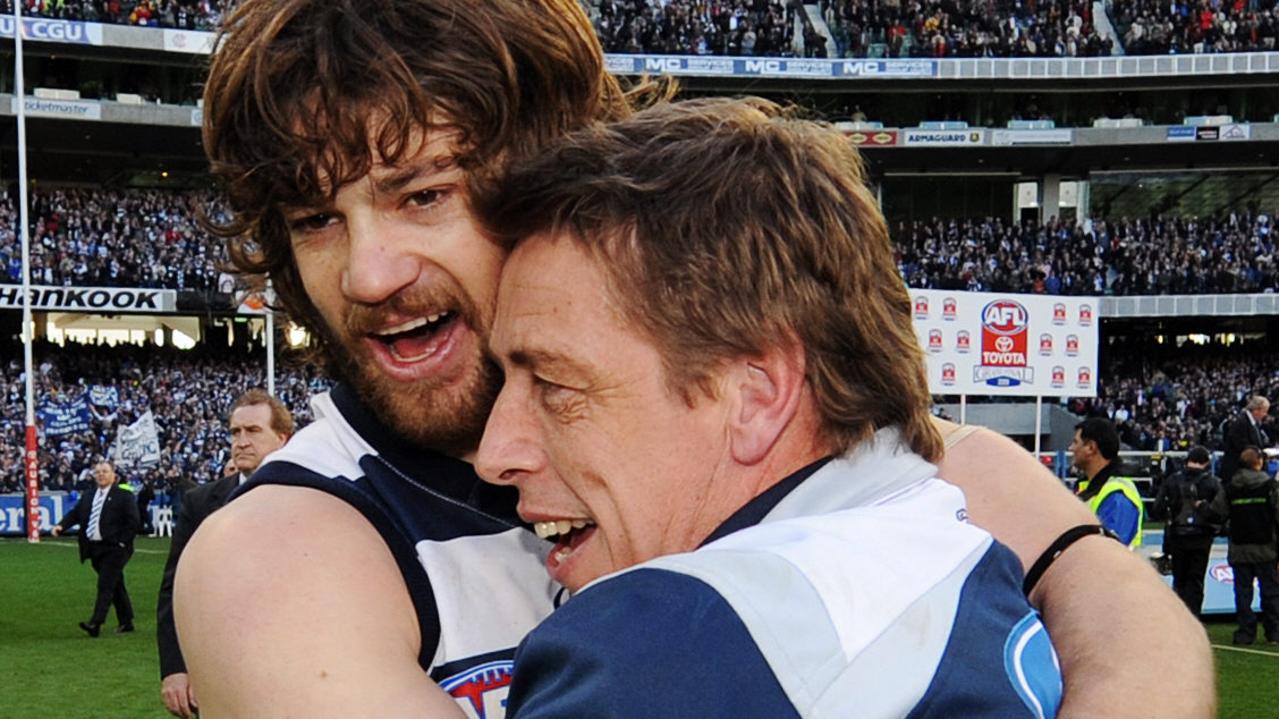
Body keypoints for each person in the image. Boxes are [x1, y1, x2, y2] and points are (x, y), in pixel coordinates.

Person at [177, 0, 1211, 716]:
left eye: (422, 193)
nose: (365, 271)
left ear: (549, 174)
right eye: (314, 219)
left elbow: (1147, 628)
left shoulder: (888, 455)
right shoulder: (284, 553)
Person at [474, 97, 1063, 715]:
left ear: (756, 396)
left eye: (555, 386)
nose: (496, 453)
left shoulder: (682, 640)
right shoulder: (953, 546)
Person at [156, 389, 294, 718]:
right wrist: (174, 668)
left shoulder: (315, 494)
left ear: (282, 438)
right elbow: (176, 589)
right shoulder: (201, 502)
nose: (242, 441)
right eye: (235, 432)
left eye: (253, 431)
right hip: (219, 669)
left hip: (294, 663)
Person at [51, 461, 140, 637]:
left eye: (105, 471)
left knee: (105, 584)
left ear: (113, 475)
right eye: (98, 472)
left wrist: (122, 542)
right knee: (115, 584)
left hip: (115, 549)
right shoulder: (89, 495)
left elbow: (134, 521)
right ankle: (126, 621)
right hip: (94, 548)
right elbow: (76, 514)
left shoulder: (123, 496)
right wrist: (61, 526)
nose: (101, 475)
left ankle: (96, 622)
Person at [1207, 447, 1279, 645]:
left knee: (1243, 593)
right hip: (1266, 548)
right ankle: (1274, 631)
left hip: (1239, 547)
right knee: (1270, 591)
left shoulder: (1231, 488)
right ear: (1259, 462)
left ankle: (1246, 633)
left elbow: (1217, 513)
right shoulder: (1270, 487)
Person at [1151, 446, 1222, 614]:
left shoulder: (1173, 480)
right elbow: (1219, 512)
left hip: (1177, 535)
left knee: (1179, 580)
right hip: (1202, 537)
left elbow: (1157, 508)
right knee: (1196, 581)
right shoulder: (1212, 483)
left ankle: (1179, 618)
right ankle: (1194, 618)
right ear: (1206, 462)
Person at [1070, 417, 1144, 547]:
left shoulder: (1118, 495)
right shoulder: (1086, 487)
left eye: (1076, 442)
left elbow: (1110, 550)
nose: (1071, 448)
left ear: (1091, 448)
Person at [1220, 396, 1270, 483]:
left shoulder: (1254, 424)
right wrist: (1262, 454)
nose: (1265, 415)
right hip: (1237, 474)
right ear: (1256, 410)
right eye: (1264, 411)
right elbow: (1243, 447)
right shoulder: (1241, 423)